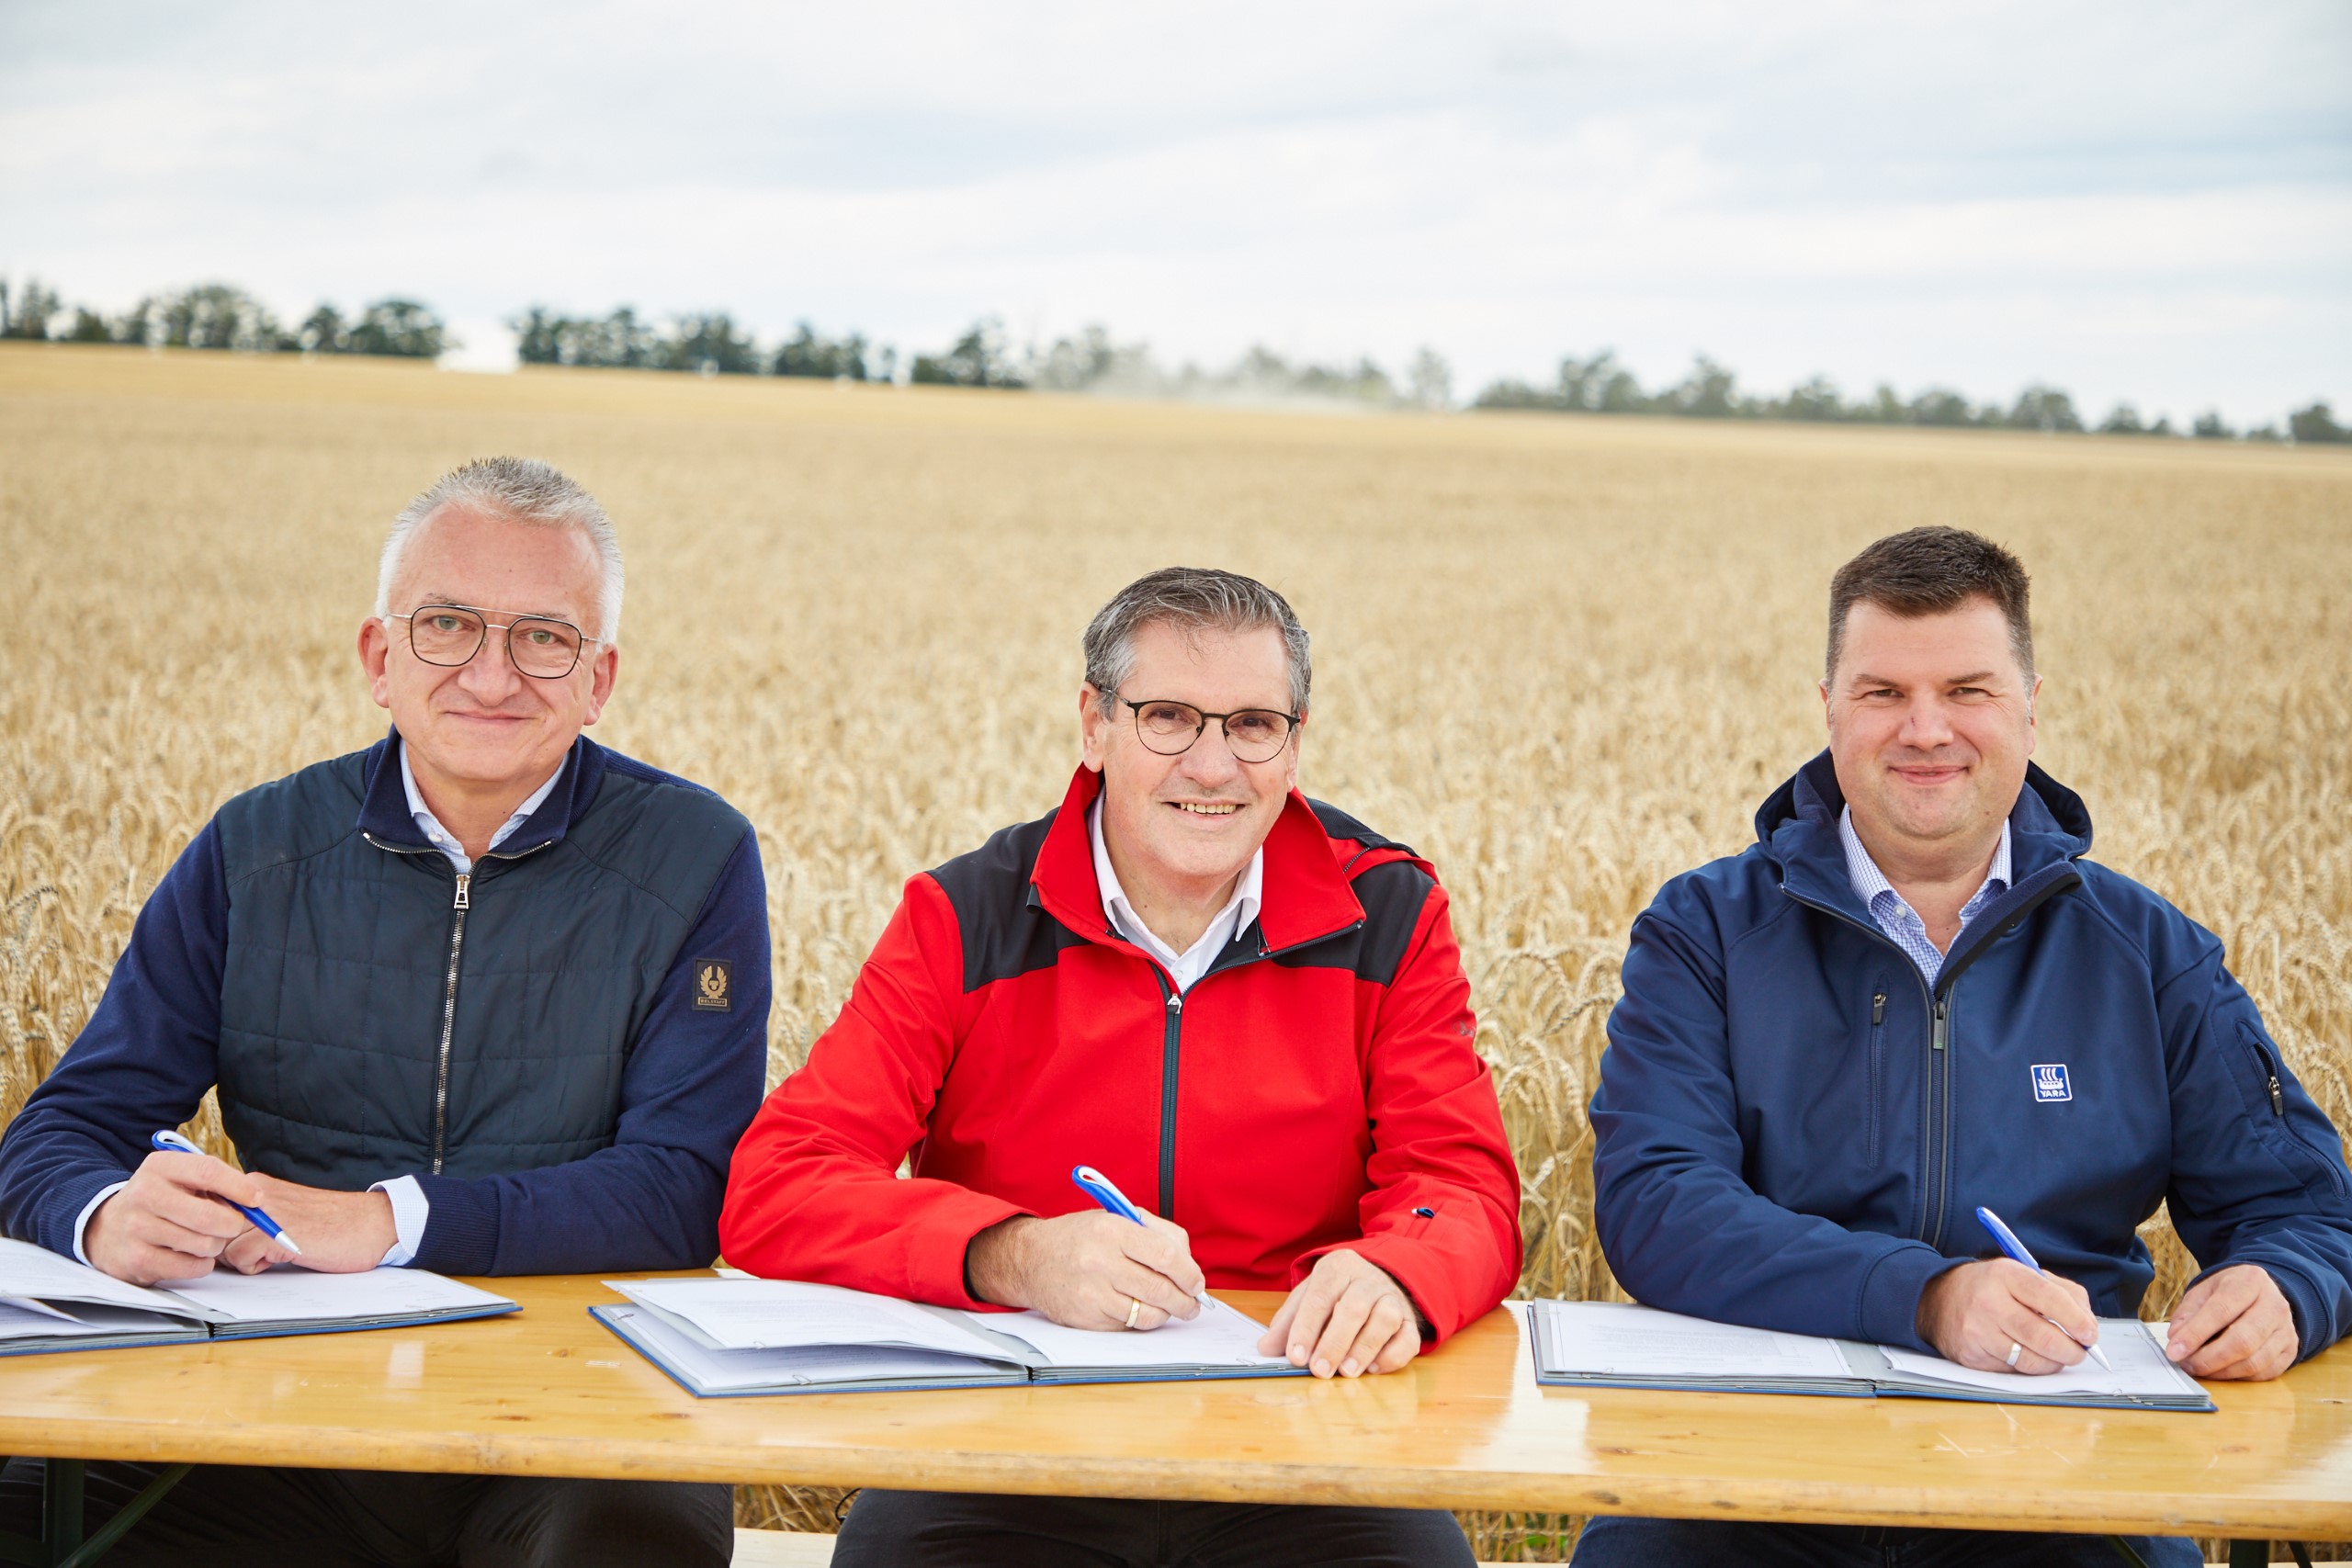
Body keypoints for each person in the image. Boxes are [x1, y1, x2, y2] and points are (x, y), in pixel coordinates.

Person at [0, 457, 768, 1567]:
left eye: (543, 638)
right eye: (447, 625)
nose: (492, 676)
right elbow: (56, 1134)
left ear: (598, 678)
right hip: (275, 1423)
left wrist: (386, 1223)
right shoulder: (255, 849)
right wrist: (104, 1213)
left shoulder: (696, 856)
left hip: (588, 1424)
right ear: (380, 657)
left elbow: (683, 1188)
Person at [1578, 525, 2352, 1567]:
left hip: (2064, 1480)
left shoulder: (2147, 951)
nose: (1925, 729)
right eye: (1882, 692)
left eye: (1968, 691)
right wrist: (1928, 1297)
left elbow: (2304, 1209)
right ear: (1828, 709)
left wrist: (2287, 1291)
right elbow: (1657, 1204)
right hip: (1742, 1474)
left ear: (2031, 702)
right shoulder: (1704, 929)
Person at [721, 566, 1521, 1567]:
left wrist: (1399, 1273)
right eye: (1170, 718)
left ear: (1294, 740)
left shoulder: (1390, 914)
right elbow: (777, 1183)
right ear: (1093, 724)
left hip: (1308, 1434)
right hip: (1005, 1442)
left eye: (1252, 725)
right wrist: (1010, 1254)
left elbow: (1462, 1182)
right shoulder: (963, 916)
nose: (1213, 765)